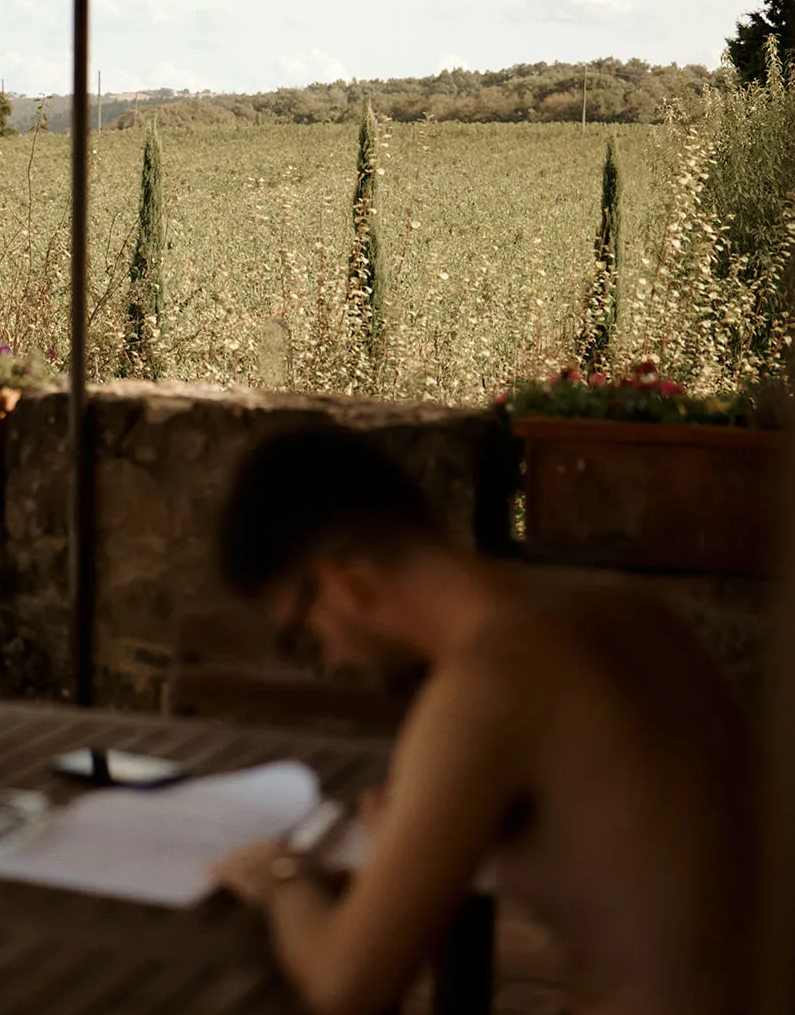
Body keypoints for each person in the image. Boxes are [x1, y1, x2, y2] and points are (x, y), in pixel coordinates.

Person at [208, 426, 755, 1015]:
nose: (332, 659)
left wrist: (282, 880)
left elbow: (347, 989)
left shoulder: (488, 684)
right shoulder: (635, 618)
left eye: (302, 635)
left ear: (342, 585)